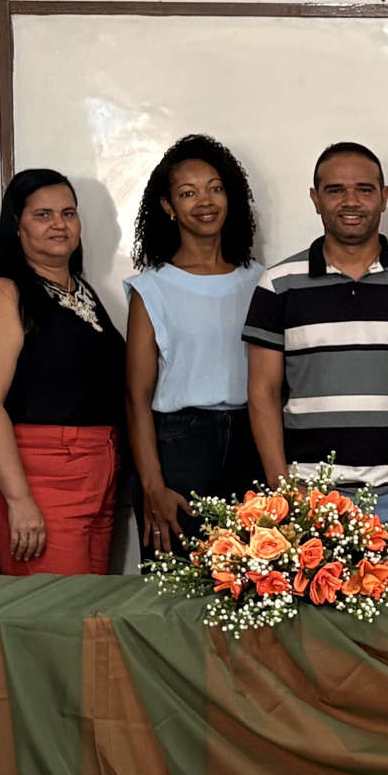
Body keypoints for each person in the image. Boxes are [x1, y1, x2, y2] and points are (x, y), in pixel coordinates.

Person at [242, 143, 388, 565]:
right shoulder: (278, 284)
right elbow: (263, 391)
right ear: (315, 198)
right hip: (309, 498)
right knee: (314, 610)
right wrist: (284, 487)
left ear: (384, 198)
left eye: (364, 189)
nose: (350, 201)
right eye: (335, 190)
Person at [0, 171, 127, 576]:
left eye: (68, 213)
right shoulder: (2, 293)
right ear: (16, 226)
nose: (59, 224)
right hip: (39, 477)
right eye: (43, 215)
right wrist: (19, 500)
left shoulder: (83, 292)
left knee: (91, 609)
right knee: (55, 610)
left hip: (99, 472)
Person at [126, 135, 262, 553]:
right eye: (188, 193)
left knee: (250, 578)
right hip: (179, 448)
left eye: (215, 188)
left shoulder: (261, 281)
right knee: (179, 579)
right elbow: (136, 396)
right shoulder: (152, 288)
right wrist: (153, 485)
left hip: (250, 441)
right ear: (168, 206)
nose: (205, 201)